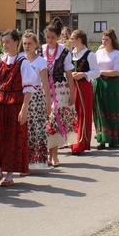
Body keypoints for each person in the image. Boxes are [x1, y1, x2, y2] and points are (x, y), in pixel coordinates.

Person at [0, 29, 35, 186]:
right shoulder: (0, 61)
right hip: (0, 104)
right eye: (3, 42)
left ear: (16, 42)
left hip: (15, 104)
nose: (5, 45)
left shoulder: (23, 62)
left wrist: (24, 109)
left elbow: (29, 88)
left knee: (12, 138)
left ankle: (9, 174)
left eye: (8, 41)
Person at [42, 18, 75, 166]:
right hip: (43, 89)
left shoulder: (64, 52)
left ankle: (54, 154)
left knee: (55, 120)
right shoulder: (41, 50)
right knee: (46, 121)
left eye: (53, 37)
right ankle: (48, 152)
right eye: (48, 37)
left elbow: (69, 74)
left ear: (57, 37)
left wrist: (72, 93)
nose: (50, 40)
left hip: (60, 89)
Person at [94, 29, 119, 149]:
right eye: (103, 39)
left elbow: (117, 71)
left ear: (112, 41)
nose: (104, 41)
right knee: (101, 111)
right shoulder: (99, 52)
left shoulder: (117, 53)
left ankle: (115, 138)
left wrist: (100, 72)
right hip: (100, 84)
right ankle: (102, 138)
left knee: (112, 111)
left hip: (112, 85)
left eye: (107, 39)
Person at [22, 31, 52, 169]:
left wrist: (48, 102)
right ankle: (22, 160)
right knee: (23, 129)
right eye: (24, 43)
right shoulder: (20, 58)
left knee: (35, 129)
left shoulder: (41, 61)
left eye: (30, 44)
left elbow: (45, 83)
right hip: (22, 97)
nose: (27, 46)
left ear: (36, 45)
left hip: (36, 98)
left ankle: (34, 160)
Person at [69, 29, 100, 154]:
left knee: (83, 113)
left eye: (72, 38)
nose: (70, 41)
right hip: (72, 86)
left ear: (79, 40)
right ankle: (71, 141)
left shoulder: (90, 55)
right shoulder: (71, 54)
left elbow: (96, 73)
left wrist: (83, 74)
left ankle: (81, 142)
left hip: (84, 87)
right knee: (72, 113)